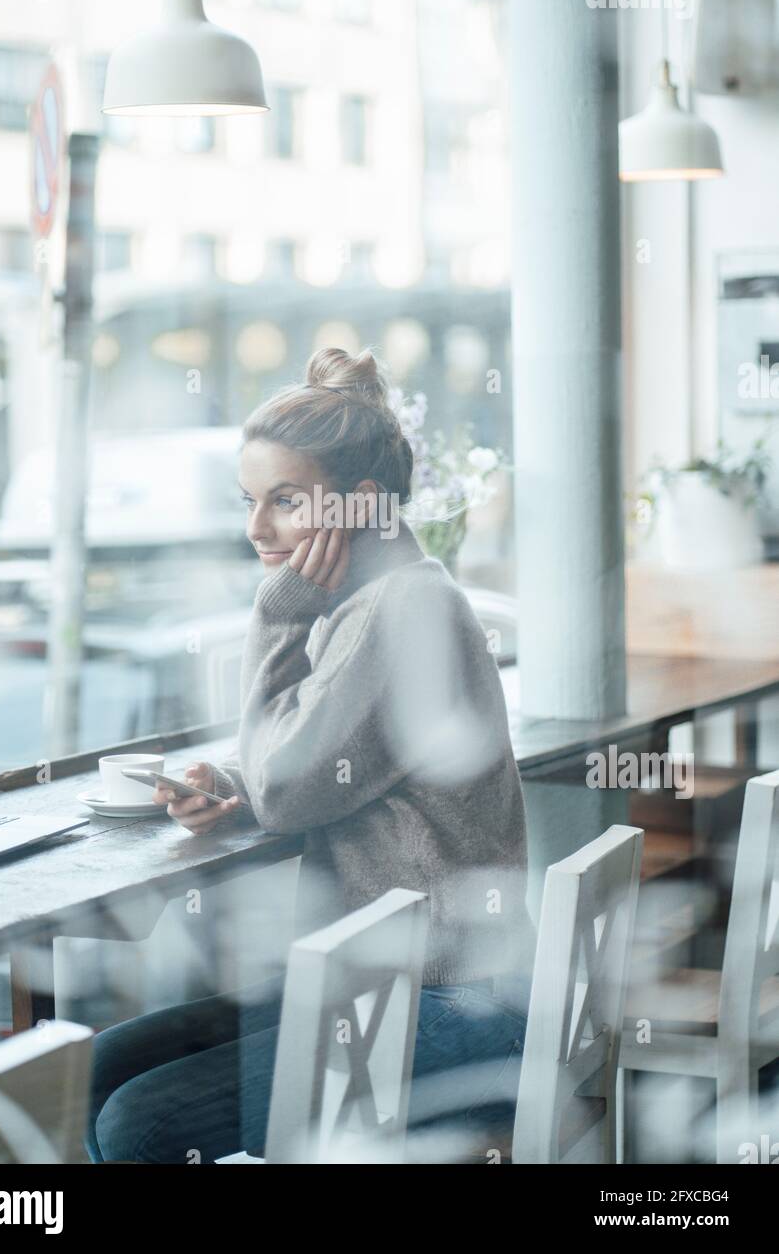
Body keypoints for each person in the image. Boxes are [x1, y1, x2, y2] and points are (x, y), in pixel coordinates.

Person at [86, 346, 536, 1164]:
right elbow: (329, 767)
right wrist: (231, 783)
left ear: (362, 507)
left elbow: (293, 791)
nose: (256, 529)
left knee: (137, 1123)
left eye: (285, 502)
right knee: (104, 1066)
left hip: (451, 1003)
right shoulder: (379, 597)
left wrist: (278, 615)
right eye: (250, 502)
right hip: (386, 985)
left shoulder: (401, 612)